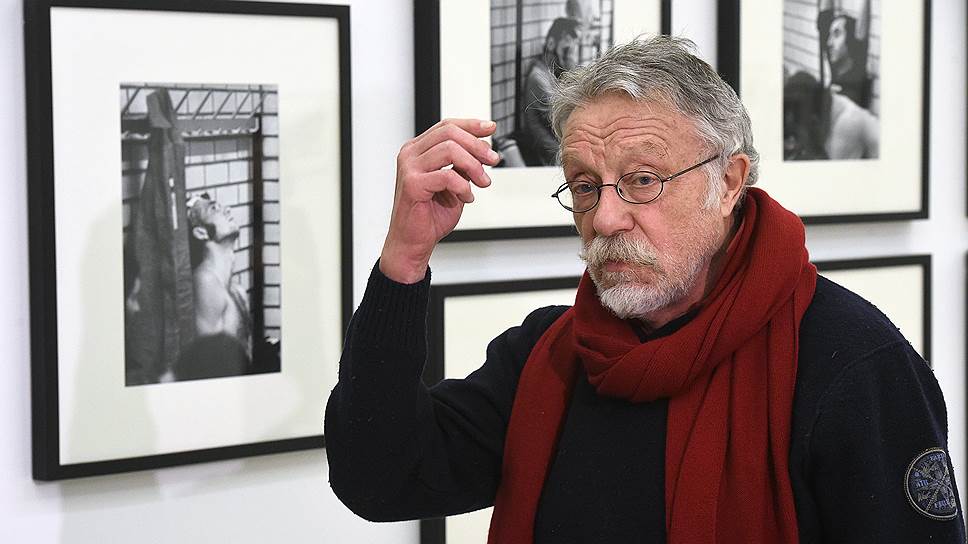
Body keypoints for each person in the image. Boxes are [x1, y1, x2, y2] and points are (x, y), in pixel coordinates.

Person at [326, 36, 963, 542]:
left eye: (642, 180)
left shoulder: (851, 363)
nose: (605, 218)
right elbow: (378, 477)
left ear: (729, 182)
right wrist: (404, 259)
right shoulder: (551, 355)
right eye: (584, 185)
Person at [184, 193, 253, 367]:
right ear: (201, 232)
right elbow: (210, 363)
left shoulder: (237, 291)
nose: (227, 210)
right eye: (214, 209)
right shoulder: (205, 281)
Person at [516, 17, 582, 166]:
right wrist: (573, 73)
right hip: (550, 159)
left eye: (572, 51)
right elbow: (568, 122)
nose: (569, 57)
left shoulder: (551, 74)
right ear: (551, 44)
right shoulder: (539, 78)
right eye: (566, 50)